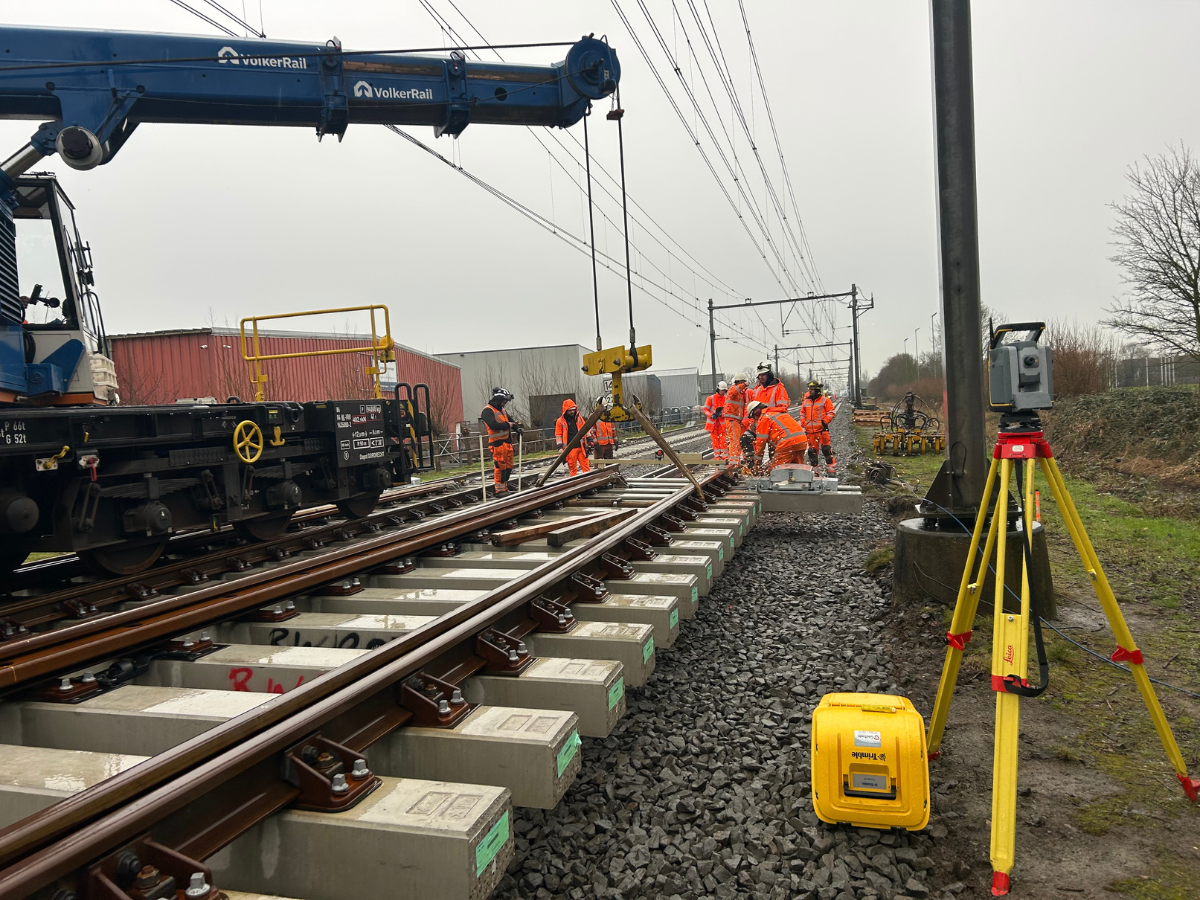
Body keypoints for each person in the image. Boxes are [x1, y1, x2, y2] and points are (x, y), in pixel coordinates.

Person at [480, 387, 522, 494]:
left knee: (508, 467)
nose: (505, 404)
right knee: (500, 467)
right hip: (497, 444)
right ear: (498, 399)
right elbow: (493, 425)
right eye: (504, 401)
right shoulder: (487, 411)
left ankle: (505, 488)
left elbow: (511, 420)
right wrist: (508, 425)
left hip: (507, 443)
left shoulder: (502, 410)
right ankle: (499, 490)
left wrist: (517, 428)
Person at [748, 400, 809, 471]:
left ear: (756, 412)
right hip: (802, 441)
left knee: (775, 471)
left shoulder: (764, 418)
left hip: (787, 443)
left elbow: (761, 443)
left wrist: (757, 463)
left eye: (753, 417)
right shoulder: (778, 413)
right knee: (797, 469)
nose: (755, 419)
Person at [799, 379, 837, 474]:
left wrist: (824, 422)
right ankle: (815, 472)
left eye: (811, 389)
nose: (809, 391)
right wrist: (804, 423)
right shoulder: (806, 401)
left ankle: (831, 470)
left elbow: (831, 412)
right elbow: (802, 414)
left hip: (822, 431)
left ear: (817, 390)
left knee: (826, 450)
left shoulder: (825, 400)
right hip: (810, 432)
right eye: (809, 389)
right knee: (812, 452)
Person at [555, 399, 592, 476]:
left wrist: (590, 439)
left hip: (581, 446)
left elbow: (586, 429)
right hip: (570, 448)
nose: (572, 412)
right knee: (572, 468)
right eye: (570, 410)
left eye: (573, 410)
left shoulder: (579, 418)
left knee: (586, 466)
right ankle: (574, 481)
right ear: (565, 411)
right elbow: (558, 435)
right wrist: (560, 448)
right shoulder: (560, 421)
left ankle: (588, 480)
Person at [722, 373, 749, 464]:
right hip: (732, 420)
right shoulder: (733, 389)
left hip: (736, 420)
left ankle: (735, 461)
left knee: (736, 441)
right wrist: (744, 385)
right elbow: (734, 391)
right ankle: (733, 462)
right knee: (735, 441)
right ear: (740, 382)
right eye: (743, 383)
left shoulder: (741, 393)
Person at [703, 380, 728, 460]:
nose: (723, 392)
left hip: (721, 424)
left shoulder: (726, 399)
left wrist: (722, 414)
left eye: (724, 390)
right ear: (718, 389)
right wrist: (711, 415)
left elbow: (728, 412)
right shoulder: (711, 398)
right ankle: (717, 457)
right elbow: (705, 409)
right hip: (713, 424)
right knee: (715, 440)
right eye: (722, 390)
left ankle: (724, 456)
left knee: (723, 440)